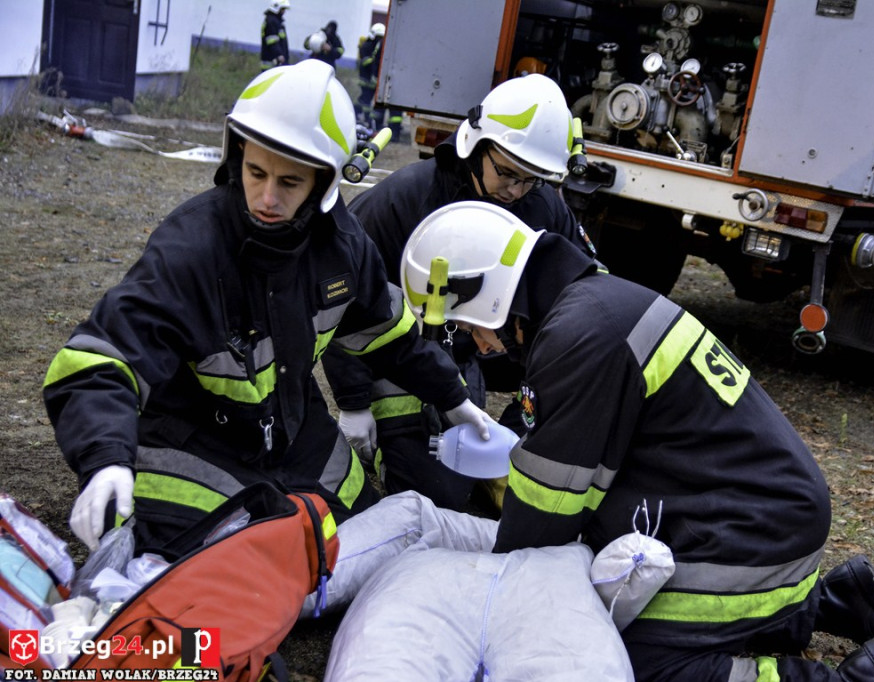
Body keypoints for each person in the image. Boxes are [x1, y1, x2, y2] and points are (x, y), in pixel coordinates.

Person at [399, 200, 874, 682]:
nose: (476, 341)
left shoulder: (579, 337)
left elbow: (545, 515)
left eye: (467, 325)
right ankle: (829, 602)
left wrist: (493, 595)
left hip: (752, 534)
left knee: (632, 656)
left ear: (490, 293)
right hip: (761, 513)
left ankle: (850, 678)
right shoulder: (593, 305)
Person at [41, 60, 492, 556]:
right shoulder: (191, 249)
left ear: (323, 185)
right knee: (219, 553)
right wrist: (105, 457)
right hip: (192, 436)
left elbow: (389, 335)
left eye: (290, 183)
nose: (267, 197)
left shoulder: (344, 249)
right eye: (255, 173)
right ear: (236, 155)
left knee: (357, 531)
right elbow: (100, 360)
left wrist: (452, 396)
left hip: (291, 428)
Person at [335, 73, 598, 513]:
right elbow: (341, 298)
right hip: (405, 355)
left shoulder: (540, 204)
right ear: (475, 147)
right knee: (442, 494)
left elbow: (584, 289)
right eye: (508, 173)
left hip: (481, 350)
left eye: (531, 179)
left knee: (566, 376)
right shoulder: (405, 200)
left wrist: (520, 433)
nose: (516, 191)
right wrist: (352, 400)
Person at [356, 22, 403, 135]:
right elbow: (366, 62)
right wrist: (374, 60)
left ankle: (372, 122)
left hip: (375, 80)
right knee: (366, 100)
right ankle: (362, 117)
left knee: (371, 102)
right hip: (367, 79)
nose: (380, 39)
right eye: (378, 37)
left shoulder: (381, 45)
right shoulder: (367, 46)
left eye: (381, 37)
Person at [260, 0, 290, 72]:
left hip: (277, 62)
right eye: (282, 9)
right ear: (276, 7)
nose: (284, 11)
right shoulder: (271, 22)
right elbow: (272, 41)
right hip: (272, 62)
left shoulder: (276, 21)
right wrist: (279, 55)